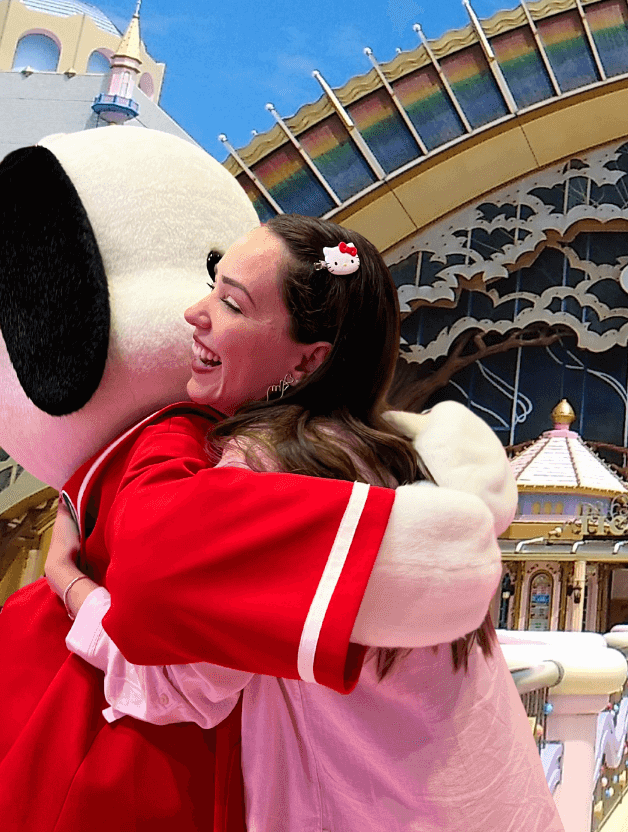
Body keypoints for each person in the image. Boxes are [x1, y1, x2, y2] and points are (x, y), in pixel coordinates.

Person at [45, 216, 559, 831]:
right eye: (213, 286)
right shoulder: (400, 456)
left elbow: (171, 684)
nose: (194, 312)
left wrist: (69, 582)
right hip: (498, 805)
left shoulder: (264, 475)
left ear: (309, 358)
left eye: (231, 304)